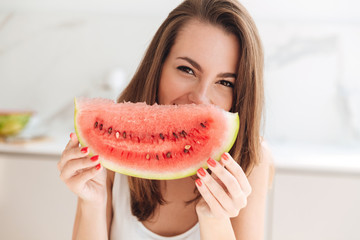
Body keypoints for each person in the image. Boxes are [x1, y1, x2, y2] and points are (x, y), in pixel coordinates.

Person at [58, 0, 274, 239]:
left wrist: (215, 220)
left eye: (225, 83)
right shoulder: (115, 140)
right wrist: (92, 202)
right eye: (187, 70)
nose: (200, 99)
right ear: (158, 66)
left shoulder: (251, 159)